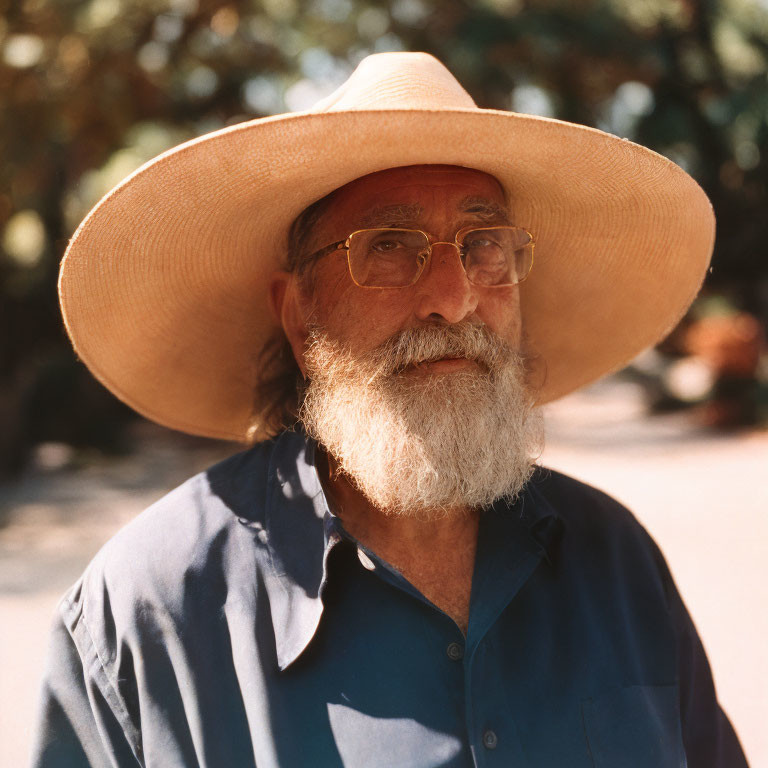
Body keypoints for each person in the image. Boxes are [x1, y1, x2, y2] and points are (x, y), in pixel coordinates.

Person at [31, 52, 748, 767]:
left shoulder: (615, 563)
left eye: (485, 246)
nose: (454, 296)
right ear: (299, 318)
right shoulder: (149, 612)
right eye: (389, 247)